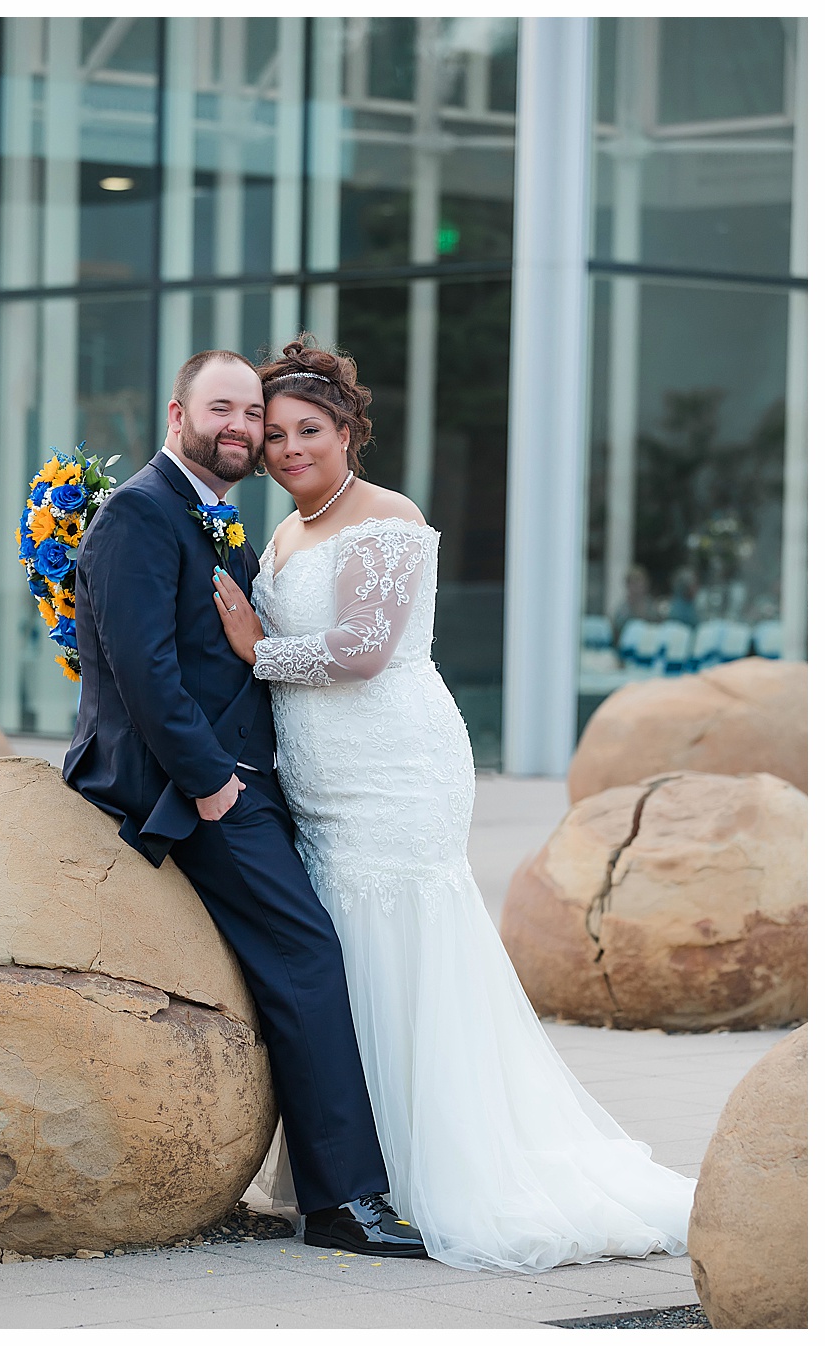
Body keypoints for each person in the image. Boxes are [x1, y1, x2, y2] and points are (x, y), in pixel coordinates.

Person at [210, 336, 696, 1271]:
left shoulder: (386, 517)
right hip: (319, 771)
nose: (287, 449)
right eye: (272, 436)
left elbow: (361, 649)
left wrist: (251, 651)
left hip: (394, 761)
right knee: (345, 955)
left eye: (308, 430)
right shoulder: (282, 532)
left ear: (349, 431)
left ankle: (434, 1171)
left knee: (404, 948)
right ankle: (363, 1163)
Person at [62, 347, 425, 1259]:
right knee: (306, 954)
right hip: (192, 791)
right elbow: (144, 673)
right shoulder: (140, 514)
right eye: (221, 408)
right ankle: (344, 1202)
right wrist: (212, 783)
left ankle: (338, 1187)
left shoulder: (215, 515)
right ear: (177, 417)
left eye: (251, 414)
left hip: (245, 777)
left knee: (300, 954)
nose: (243, 426)